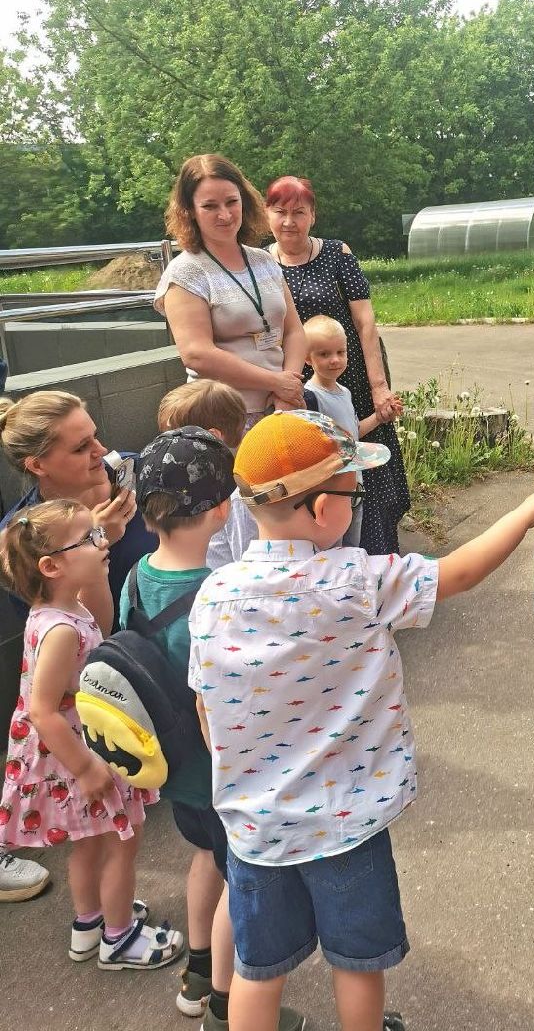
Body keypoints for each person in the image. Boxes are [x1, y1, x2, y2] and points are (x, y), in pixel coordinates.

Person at [188, 410, 534, 1031]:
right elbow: (461, 570)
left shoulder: (214, 594)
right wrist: (528, 510)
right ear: (319, 511)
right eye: (352, 491)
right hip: (347, 825)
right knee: (358, 962)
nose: (357, 502)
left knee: (258, 971)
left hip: (255, 831)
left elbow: (207, 710)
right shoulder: (356, 581)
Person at [122, 426, 304, 1029]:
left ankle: (196, 975)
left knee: (204, 858)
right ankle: (228, 1004)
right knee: (240, 887)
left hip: (174, 771)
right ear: (223, 508)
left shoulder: (136, 579)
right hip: (223, 775)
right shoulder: (216, 595)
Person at [0, 498, 183, 968]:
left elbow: (102, 623)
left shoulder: (58, 610)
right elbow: (42, 710)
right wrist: (87, 769)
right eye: (90, 538)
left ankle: (90, 923)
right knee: (124, 841)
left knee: (89, 842)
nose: (104, 541)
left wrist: (98, 564)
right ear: (51, 565)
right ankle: (119, 938)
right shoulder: (60, 629)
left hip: (74, 751)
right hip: (83, 753)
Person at [265, 175, 410, 554]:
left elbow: (365, 322)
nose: (289, 222)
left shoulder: (336, 253)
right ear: (267, 215)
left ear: (313, 215)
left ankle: (380, 552)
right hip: (303, 386)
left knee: (367, 457)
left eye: (299, 212)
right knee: (320, 463)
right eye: (280, 212)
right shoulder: (261, 264)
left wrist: (378, 386)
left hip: (354, 375)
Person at [155, 154, 307, 429]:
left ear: (244, 201)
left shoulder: (264, 261)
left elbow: (294, 331)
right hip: (225, 418)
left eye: (231, 202)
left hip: (282, 406)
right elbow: (197, 354)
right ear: (189, 210)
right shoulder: (185, 273)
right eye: (210, 206)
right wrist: (275, 382)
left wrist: (289, 386)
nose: (224, 215)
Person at [0, 390, 154, 632]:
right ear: (37, 465)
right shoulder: (24, 537)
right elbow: (76, 641)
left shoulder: (133, 470)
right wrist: (95, 542)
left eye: (96, 436)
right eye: (81, 447)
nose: (101, 450)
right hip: (119, 661)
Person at [303, 316, 398, 548]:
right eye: (324, 354)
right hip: (330, 492)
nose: (334, 360)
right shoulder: (310, 398)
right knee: (330, 552)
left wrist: (380, 417)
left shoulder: (344, 392)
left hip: (354, 489)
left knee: (351, 549)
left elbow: (353, 433)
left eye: (340, 352)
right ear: (308, 358)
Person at [155, 379, 257, 570]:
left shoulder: (235, 498)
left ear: (211, 437)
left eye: (175, 437)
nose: (167, 446)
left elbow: (247, 566)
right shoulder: (193, 483)